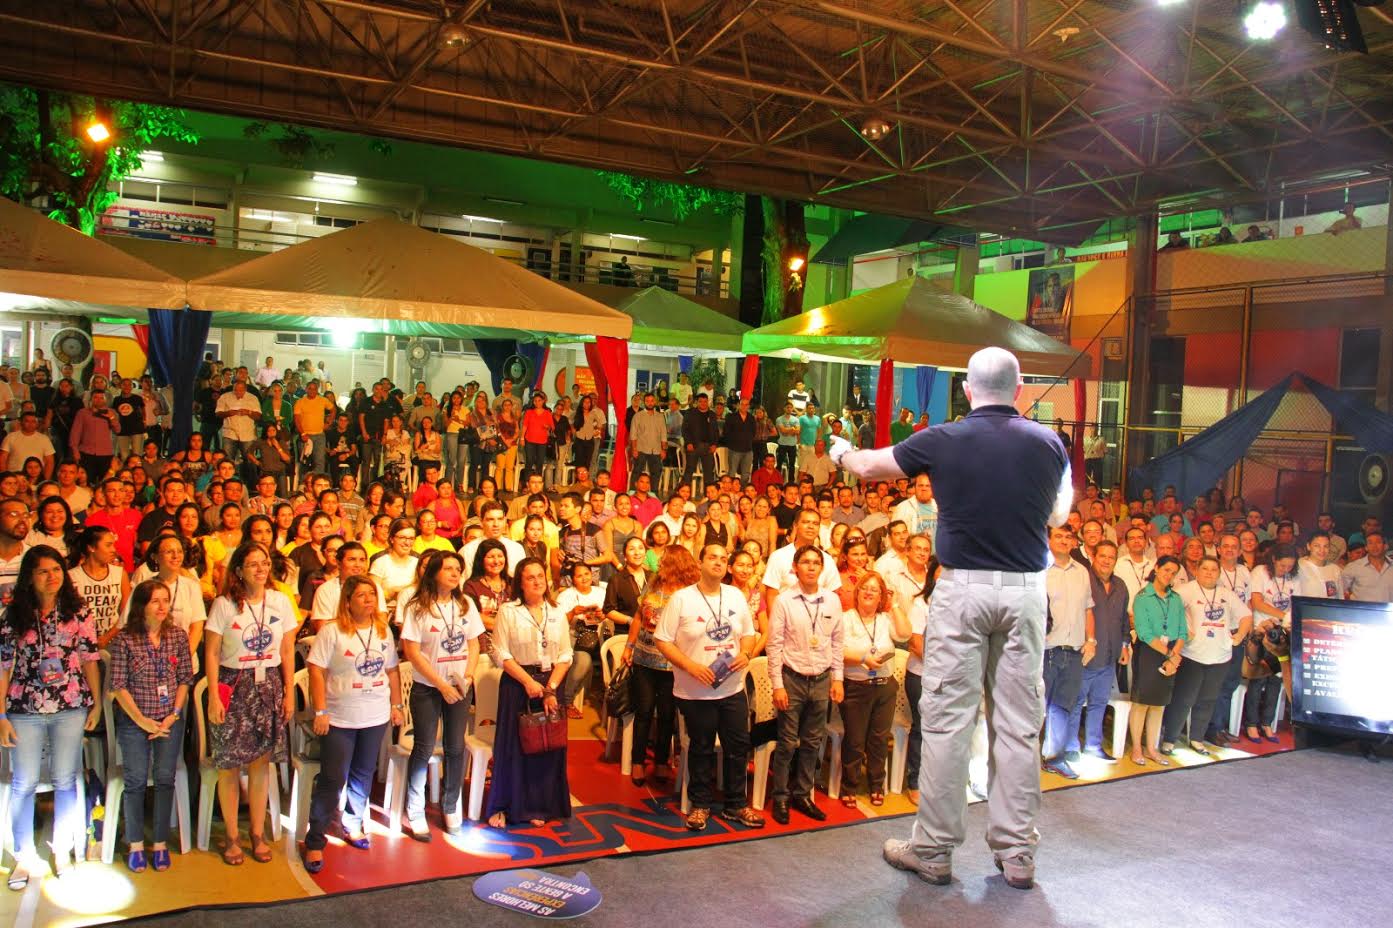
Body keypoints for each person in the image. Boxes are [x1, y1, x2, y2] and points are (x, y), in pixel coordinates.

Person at [830, 346, 1070, 890]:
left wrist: (844, 452)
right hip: (1026, 592)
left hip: (962, 591)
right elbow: (1058, 513)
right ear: (1020, 391)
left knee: (946, 722)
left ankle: (933, 849)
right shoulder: (1051, 442)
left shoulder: (943, 438)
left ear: (967, 389)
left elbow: (869, 466)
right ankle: (1016, 854)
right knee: (1017, 726)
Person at [0, 546, 103, 888]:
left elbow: (89, 657)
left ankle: (62, 851)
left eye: (56, 569)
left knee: (65, 779)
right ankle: (24, 857)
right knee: (23, 782)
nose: (51, 576)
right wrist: (1, 714)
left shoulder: (78, 611)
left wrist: (96, 702)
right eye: (43, 571)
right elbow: (2, 667)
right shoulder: (12, 613)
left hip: (70, 704)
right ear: (30, 576)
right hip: (24, 707)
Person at [653, 544, 764, 831]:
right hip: (695, 690)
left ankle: (736, 805)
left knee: (737, 748)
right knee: (701, 748)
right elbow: (662, 640)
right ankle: (700, 804)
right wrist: (690, 666)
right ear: (700, 562)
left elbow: (750, 635)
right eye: (712, 557)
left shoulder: (736, 596)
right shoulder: (681, 599)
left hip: (732, 688)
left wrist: (746, 654)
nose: (718, 562)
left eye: (723, 559)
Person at [301, 575, 403, 873]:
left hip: (375, 714)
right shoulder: (332, 631)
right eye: (361, 595)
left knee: (363, 773)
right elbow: (316, 670)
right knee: (333, 779)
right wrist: (320, 711)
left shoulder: (383, 631)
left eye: (372, 594)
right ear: (348, 601)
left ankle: (353, 823)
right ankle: (315, 839)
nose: (369, 599)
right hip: (340, 716)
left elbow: (393, 671)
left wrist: (396, 706)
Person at [204, 542, 296, 866]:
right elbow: (212, 653)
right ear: (239, 570)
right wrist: (214, 695)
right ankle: (231, 836)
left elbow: (287, 652)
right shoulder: (224, 605)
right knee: (229, 767)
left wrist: (288, 690)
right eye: (253, 564)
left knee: (261, 766)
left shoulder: (281, 601)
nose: (260, 569)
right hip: (232, 685)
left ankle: (256, 833)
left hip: (267, 685)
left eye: (265, 562)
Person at [107, 579, 194, 873]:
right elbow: (118, 687)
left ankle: (159, 842)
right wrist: (143, 721)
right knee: (134, 781)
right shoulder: (124, 640)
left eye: (165, 600)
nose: (161, 607)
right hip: (135, 722)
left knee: (165, 778)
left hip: (169, 719)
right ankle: (134, 843)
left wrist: (174, 713)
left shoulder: (178, 637)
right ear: (141, 605)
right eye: (155, 601)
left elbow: (185, 679)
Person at [399, 552, 483, 840]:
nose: (454, 573)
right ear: (433, 572)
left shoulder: (465, 604)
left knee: (456, 747)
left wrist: (468, 676)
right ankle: (416, 810)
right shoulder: (417, 607)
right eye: (448, 568)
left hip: (460, 686)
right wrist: (441, 685)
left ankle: (451, 805)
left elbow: (474, 643)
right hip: (427, 686)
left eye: (458, 569)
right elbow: (411, 651)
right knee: (423, 748)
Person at [486, 558, 572, 828]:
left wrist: (551, 688)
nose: (537, 581)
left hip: (551, 683)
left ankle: (541, 805)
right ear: (520, 584)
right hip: (517, 683)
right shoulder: (508, 611)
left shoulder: (557, 611)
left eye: (540, 576)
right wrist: (527, 682)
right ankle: (506, 805)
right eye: (530, 577)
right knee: (515, 746)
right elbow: (500, 653)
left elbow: (566, 654)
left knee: (547, 745)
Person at [765, 544, 844, 824]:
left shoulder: (832, 601)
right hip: (792, 679)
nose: (811, 567)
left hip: (822, 680)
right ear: (795, 567)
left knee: (812, 742)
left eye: (816, 563)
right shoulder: (785, 600)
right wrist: (777, 685)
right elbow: (774, 645)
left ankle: (803, 794)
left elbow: (837, 642)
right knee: (787, 743)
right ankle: (781, 797)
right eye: (805, 562)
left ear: (822, 569)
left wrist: (838, 678)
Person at [1162, 556, 1250, 756]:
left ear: (1219, 573)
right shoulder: (1185, 591)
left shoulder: (1227, 594)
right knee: (1183, 699)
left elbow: (1246, 616)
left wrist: (1239, 636)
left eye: (1213, 569)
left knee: (1208, 699)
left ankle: (1197, 738)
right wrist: (1183, 629)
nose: (1209, 572)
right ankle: (1170, 739)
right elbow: (1168, 612)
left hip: (1220, 656)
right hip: (1192, 654)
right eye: (1205, 568)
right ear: (1197, 570)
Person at [838, 571, 906, 808]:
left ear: (881, 597)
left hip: (884, 686)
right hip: (856, 686)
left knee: (878, 739)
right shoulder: (846, 618)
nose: (868, 592)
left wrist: (894, 604)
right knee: (855, 740)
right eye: (864, 588)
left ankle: (877, 785)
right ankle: (850, 786)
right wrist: (863, 658)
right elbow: (836, 651)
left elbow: (905, 633)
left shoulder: (886, 619)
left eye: (875, 589)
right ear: (857, 593)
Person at [1127, 556, 1186, 766]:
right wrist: (1171, 656)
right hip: (1149, 652)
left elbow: (1182, 631)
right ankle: (1136, 747)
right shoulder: (1143, 597)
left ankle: (1151, 747)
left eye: (1173, 573)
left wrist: (1174, 656)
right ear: (1157, 568)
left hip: (1172, 652)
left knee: (1159, 705)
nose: (1169, 575)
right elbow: (1143, 632)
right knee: (1142, 703)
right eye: (1166, 570)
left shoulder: (1176, 598)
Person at [1074, 541, 1130, 762]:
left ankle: (1093, 746)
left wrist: (1125, 645)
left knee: (1099, 703)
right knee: (1076, 703)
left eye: (1111, 557)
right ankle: (1070, 748)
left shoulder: (1121, 585)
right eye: (1103, 556)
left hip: (1109, 657)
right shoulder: (1083, 581)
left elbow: (1124, 619)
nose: (1107, 560)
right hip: (1085, 656)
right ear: (1093, 557)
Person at [69, 525, 130, 648]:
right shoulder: (72, 576)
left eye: (113, 545)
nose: (113, 550)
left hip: (114, 641)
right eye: (108, 545)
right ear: (91, 547)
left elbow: (126, 613)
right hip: (81, 643)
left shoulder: (119, 574)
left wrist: (107, 637)